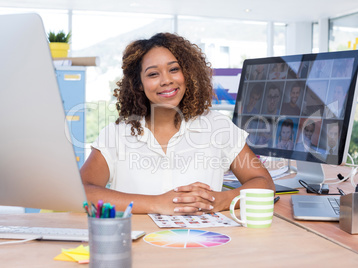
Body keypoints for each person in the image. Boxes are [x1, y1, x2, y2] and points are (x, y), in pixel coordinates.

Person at [80, 33, 274, 215]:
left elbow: (264, 183)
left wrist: (223, 200)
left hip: (204, 244)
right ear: (138, 83)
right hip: (137, 245)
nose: (166, 80)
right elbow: (82, 191)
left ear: (188, 74)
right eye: (153, 74)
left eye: (174, 69)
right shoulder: (117, 134)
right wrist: (156, 203)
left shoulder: (217, 126)